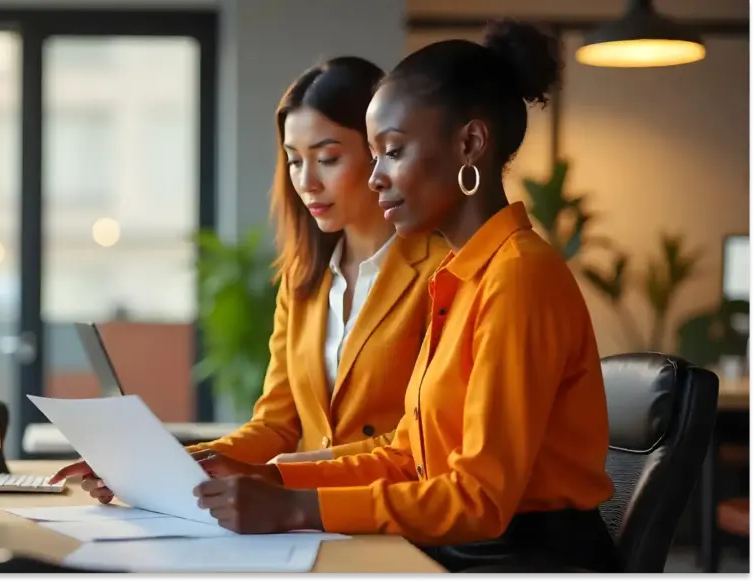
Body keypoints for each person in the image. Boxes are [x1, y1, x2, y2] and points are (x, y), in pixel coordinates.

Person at [189, 21, 619, 574]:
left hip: (521, 557)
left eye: (392, 152)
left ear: (469, 144)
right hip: (465, 546)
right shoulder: (465, 275)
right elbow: (405, 455)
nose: (376, 178)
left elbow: (477, 500)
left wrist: (300, 506)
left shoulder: (518, 276)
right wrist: (275, 476)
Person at [50, 57, 447, 498]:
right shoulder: (305, 281)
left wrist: (280, 474)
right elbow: (276, 425)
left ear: (380, 151)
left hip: (385, 511)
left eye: (328, 158)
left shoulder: (442, 272)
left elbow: (422, 441)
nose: (307, 181)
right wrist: (162, 465)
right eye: (294, 161)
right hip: (310, 517)